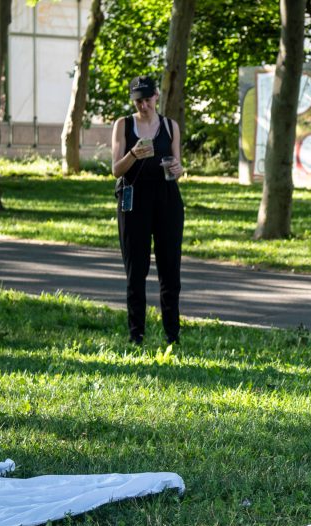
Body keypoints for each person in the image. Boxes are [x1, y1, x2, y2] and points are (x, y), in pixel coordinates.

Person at [111, 75, 185, 345]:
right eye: (138, 100)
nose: (144, 105)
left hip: (167, 198)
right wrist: (133, 154)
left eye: (147, 99)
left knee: (170, 270)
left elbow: (177, 165)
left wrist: (179, 169)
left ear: (156, 96)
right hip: (134, 199)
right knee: (136, 269)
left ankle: (172, 335)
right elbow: (115, 169)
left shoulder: (170, 126)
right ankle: (136, 335)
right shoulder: (124, 125)